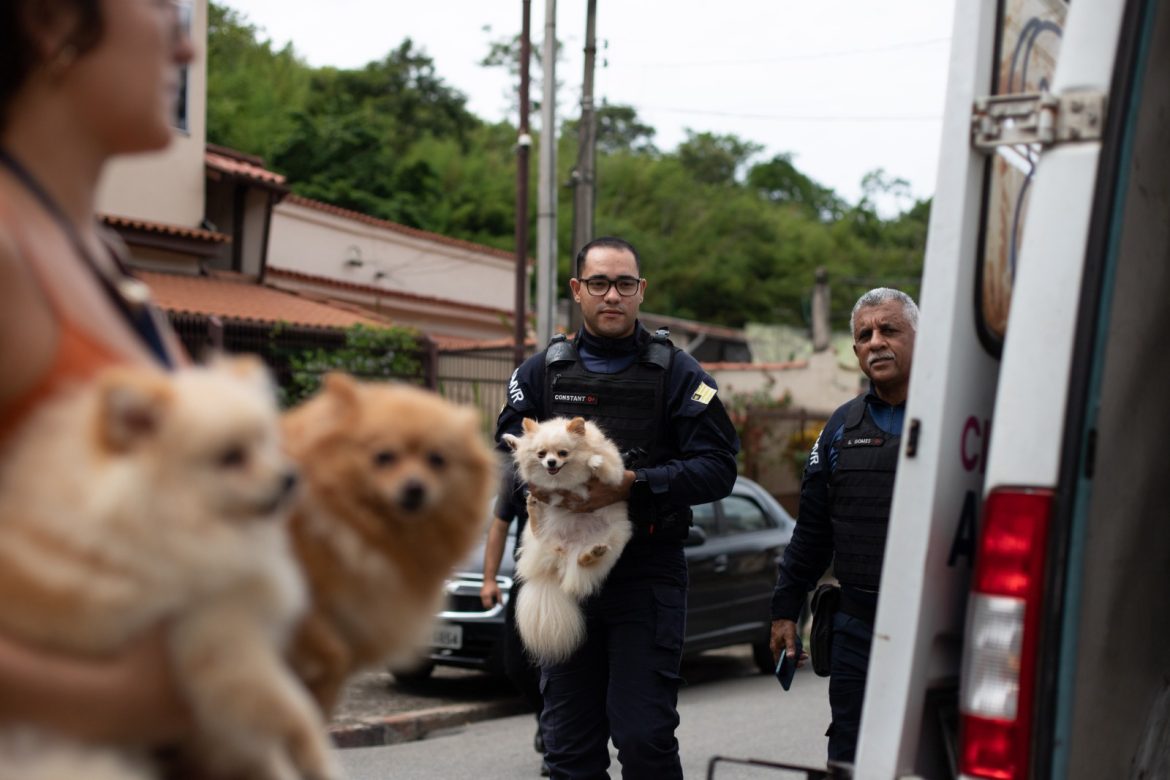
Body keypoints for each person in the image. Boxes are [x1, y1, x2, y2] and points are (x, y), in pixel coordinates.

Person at [0, 0, 195, 746]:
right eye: (163, 11)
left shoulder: (102, 254)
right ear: (49, 19)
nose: (187, 54)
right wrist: (131, 700)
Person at [494, 235, 740, 779]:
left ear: (640, 291)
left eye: (625, 284)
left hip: (645, 573)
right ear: (577, 289)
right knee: (568, 749)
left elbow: (720, 467)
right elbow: (505, 452)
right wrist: (545, 488)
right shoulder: (540, 373)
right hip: (560, 573)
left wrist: (633, 484)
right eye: (600, 283)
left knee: (644, 738)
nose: (613, 295)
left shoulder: (680, 375)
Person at [769, 287, 919, 765]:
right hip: (858, 626)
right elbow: (812, 532)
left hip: (933, 624)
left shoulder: (959, 417)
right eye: (864, 335)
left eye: (889, 330)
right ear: (855, 351)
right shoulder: (840, 428)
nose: (876, 342)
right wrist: (784, 611)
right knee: (850, 756)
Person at [480, 485, 547, 775]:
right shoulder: (519, 472)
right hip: (528, 576)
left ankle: (557, 739)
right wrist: (489, 579)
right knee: (517, 665)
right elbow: (499, 525)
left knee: (563, 666)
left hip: (567, 575)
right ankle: (545, 718)